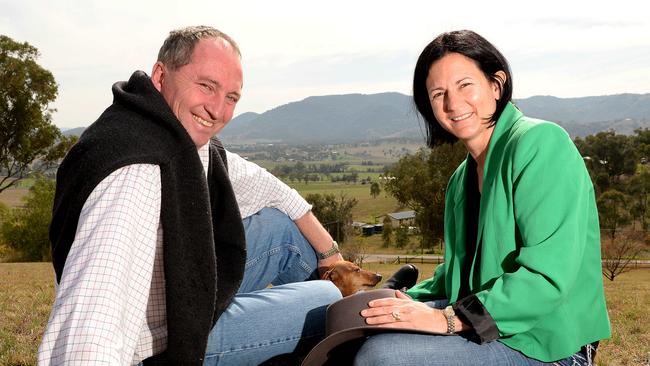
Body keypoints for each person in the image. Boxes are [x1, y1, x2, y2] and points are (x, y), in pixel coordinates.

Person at [38, 25, 342, 365]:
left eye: (231, 97)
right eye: (206, 86)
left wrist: (332, 255)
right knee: (323, 298)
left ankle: (361, 295)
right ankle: (358, 323)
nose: (217, 110)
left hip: (178, 293)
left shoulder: (168, 134)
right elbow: (92, 322)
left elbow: (270, 188)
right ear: (159, 76)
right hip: (162, 344)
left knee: (280, 228)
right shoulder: (139, 173)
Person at [353, 30, 610, 365]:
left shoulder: (542, 144)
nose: (453, 103)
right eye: (438, 93)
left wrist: (445, 319)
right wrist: (400, 299)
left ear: (496, 84)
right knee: (365, 325)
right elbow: (458, 272)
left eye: (465, 85)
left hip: (548, 344)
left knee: (382, 356)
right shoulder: (461, 178)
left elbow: (546, 277)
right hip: (488, 324)